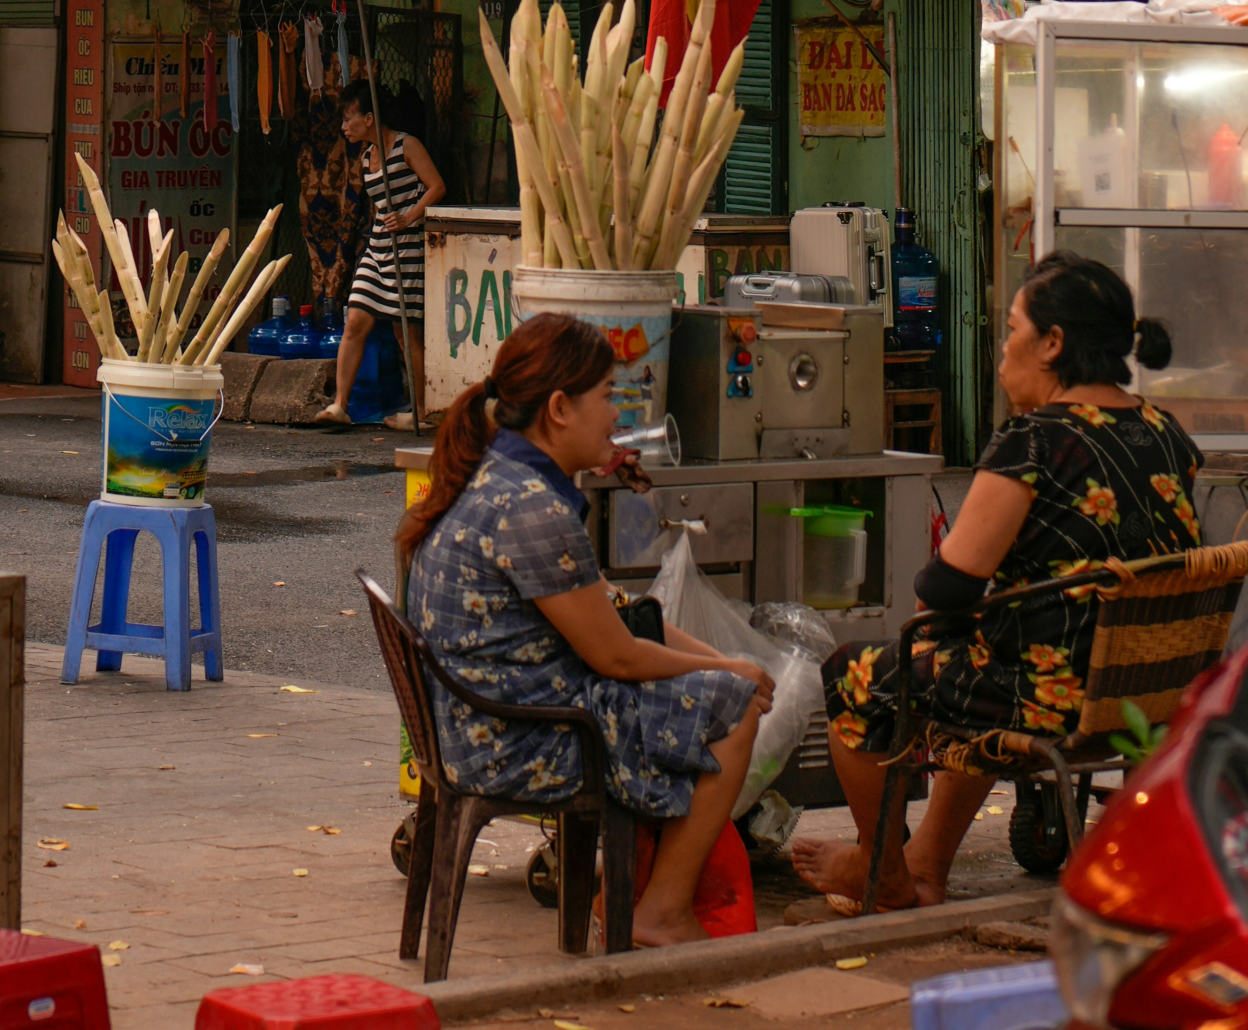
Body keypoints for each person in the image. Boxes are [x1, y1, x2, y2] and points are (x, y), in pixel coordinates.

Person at [791, 251, 1201, 915]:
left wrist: (945, 608)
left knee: (856, 671)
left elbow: (947, 586)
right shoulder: (1166, 432)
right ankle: (924, 864)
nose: (1002, 348)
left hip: (1051, 700)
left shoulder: (1033, 441)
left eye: (1011, 330)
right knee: (970, 657)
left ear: (1051, 344)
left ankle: (880, 866)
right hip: (1147, 692)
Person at [400, 312, 771, 946]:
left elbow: (614, 609)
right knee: (734, 712)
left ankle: (640, 900)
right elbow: (619, 657)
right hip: (519, 741)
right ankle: (661, 911)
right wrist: (725, 674)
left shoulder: (501, 477)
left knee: (721, 689)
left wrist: (716, 660)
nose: (620, 416)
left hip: (480, 723)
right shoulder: (534, 508)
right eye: (608, 397)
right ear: (559, 409)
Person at [315, 79, 444, 429]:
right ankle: (339, 405)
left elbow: (437, 187)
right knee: (356, 318)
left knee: (406, 332)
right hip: (379, 247)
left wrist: (408, 216)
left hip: (409, 246)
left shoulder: (407, 145)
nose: (344, 126)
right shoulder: (367, 156)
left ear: (369, 118)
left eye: (349, 118)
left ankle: (420, 411)